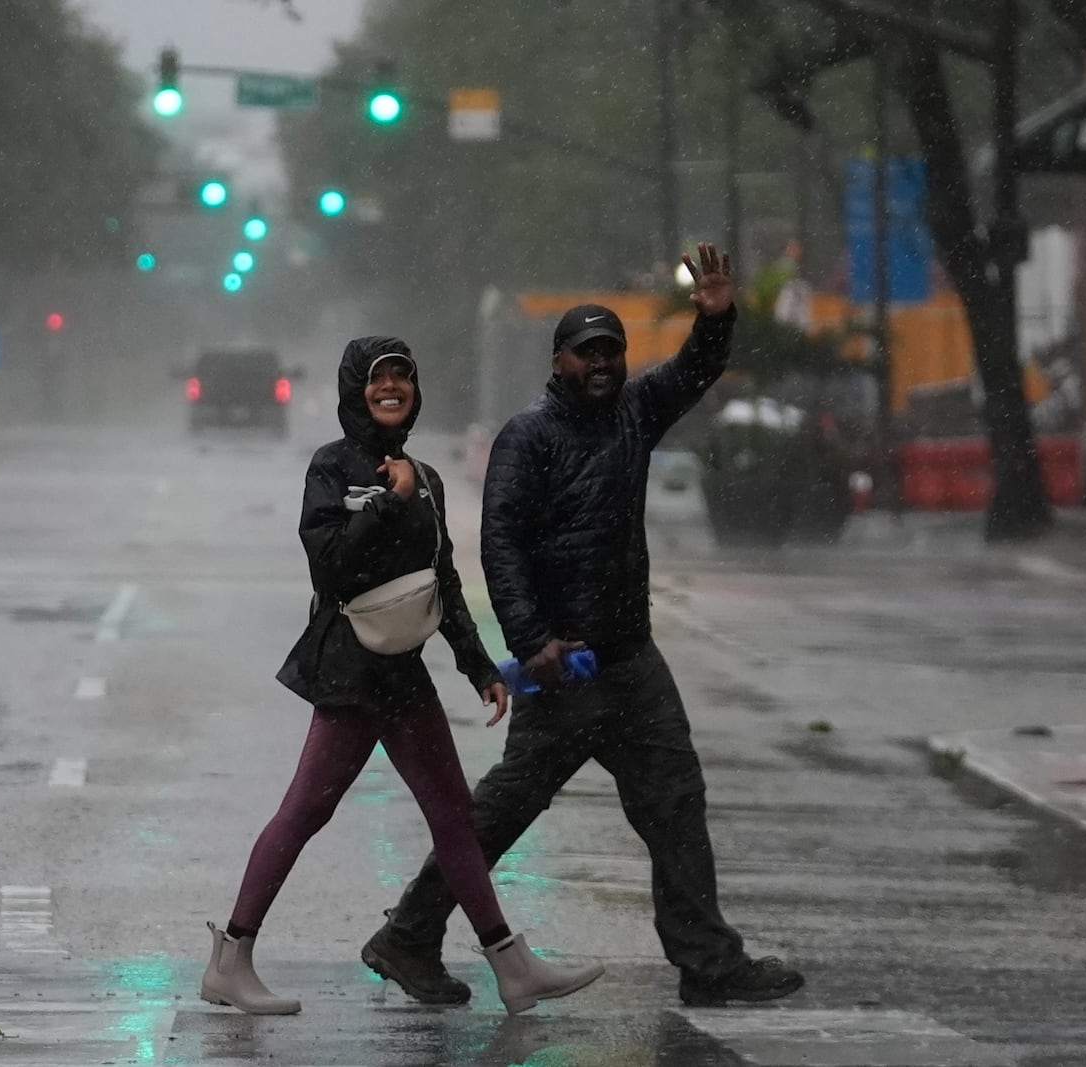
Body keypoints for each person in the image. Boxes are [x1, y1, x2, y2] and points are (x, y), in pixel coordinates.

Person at [362, 245, 806, 1008]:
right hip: (562, 667)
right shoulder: (528, 438)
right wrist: (533, 643)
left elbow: (694, 371)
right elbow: (499, 544)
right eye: (587, 352)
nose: (602, 363)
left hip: (632, 661)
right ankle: (409, 931)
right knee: (501, 812)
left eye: (612, 352)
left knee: (676, 803)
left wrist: (715, 315)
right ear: (558, 359)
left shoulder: (635, 412)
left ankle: (707, 961)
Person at [201, 335, 606, 1016]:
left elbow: (440, 579)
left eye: (402, 377)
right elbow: (329, 569)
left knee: (454, 819)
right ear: (355, 387)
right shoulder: (331, 468)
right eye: (378, 378)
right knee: (306, 811)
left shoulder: (427, 476)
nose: (391, 388)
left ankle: (512, 964)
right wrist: (387, 503)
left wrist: (478, 664)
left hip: (404, 677)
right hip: (350, 678)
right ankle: (231, 958)